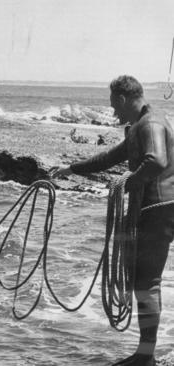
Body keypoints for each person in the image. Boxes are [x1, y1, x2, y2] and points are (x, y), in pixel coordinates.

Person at [51, 75, 174, 366]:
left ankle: (145, 358)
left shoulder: (151, 124)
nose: (114, 113)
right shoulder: (139, 126)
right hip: (159, 207)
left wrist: (131, 181)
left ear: (122, 99)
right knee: (145, 281)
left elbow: (156, 161)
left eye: (114, 106)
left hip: (159, 208)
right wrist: (71, 168)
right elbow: (109, 158)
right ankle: (145, 354)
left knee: (147, 282)